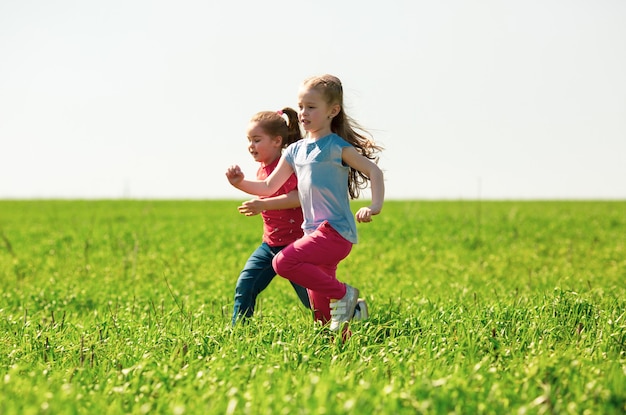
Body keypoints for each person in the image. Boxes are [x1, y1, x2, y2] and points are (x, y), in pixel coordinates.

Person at [226, 74, 384, 332]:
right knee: (321, 314)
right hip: (311, 233)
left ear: (333, 111)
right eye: (300, 106)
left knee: (282, 263)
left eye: (311, 107)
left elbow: (374, 172)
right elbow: (268, 187)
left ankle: (346, 294)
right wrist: (239, 183)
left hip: (335, 232)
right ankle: (337, 349)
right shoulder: (294, 150)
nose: (303, 113)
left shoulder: (337, 147)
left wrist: (374, 206)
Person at [230, 108, 310, 326]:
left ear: (276, 141)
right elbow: (264, 188)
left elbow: (297, 197)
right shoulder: (262, 170)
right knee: (246, 284)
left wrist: (262, 204)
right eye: (249, 140)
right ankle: (239, 331)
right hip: (270, 244)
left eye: (257, 140)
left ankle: (351, 311)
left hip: (296, 246)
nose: (251, 145)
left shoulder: (286, 166)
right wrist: (239, 183)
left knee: (311, 299)